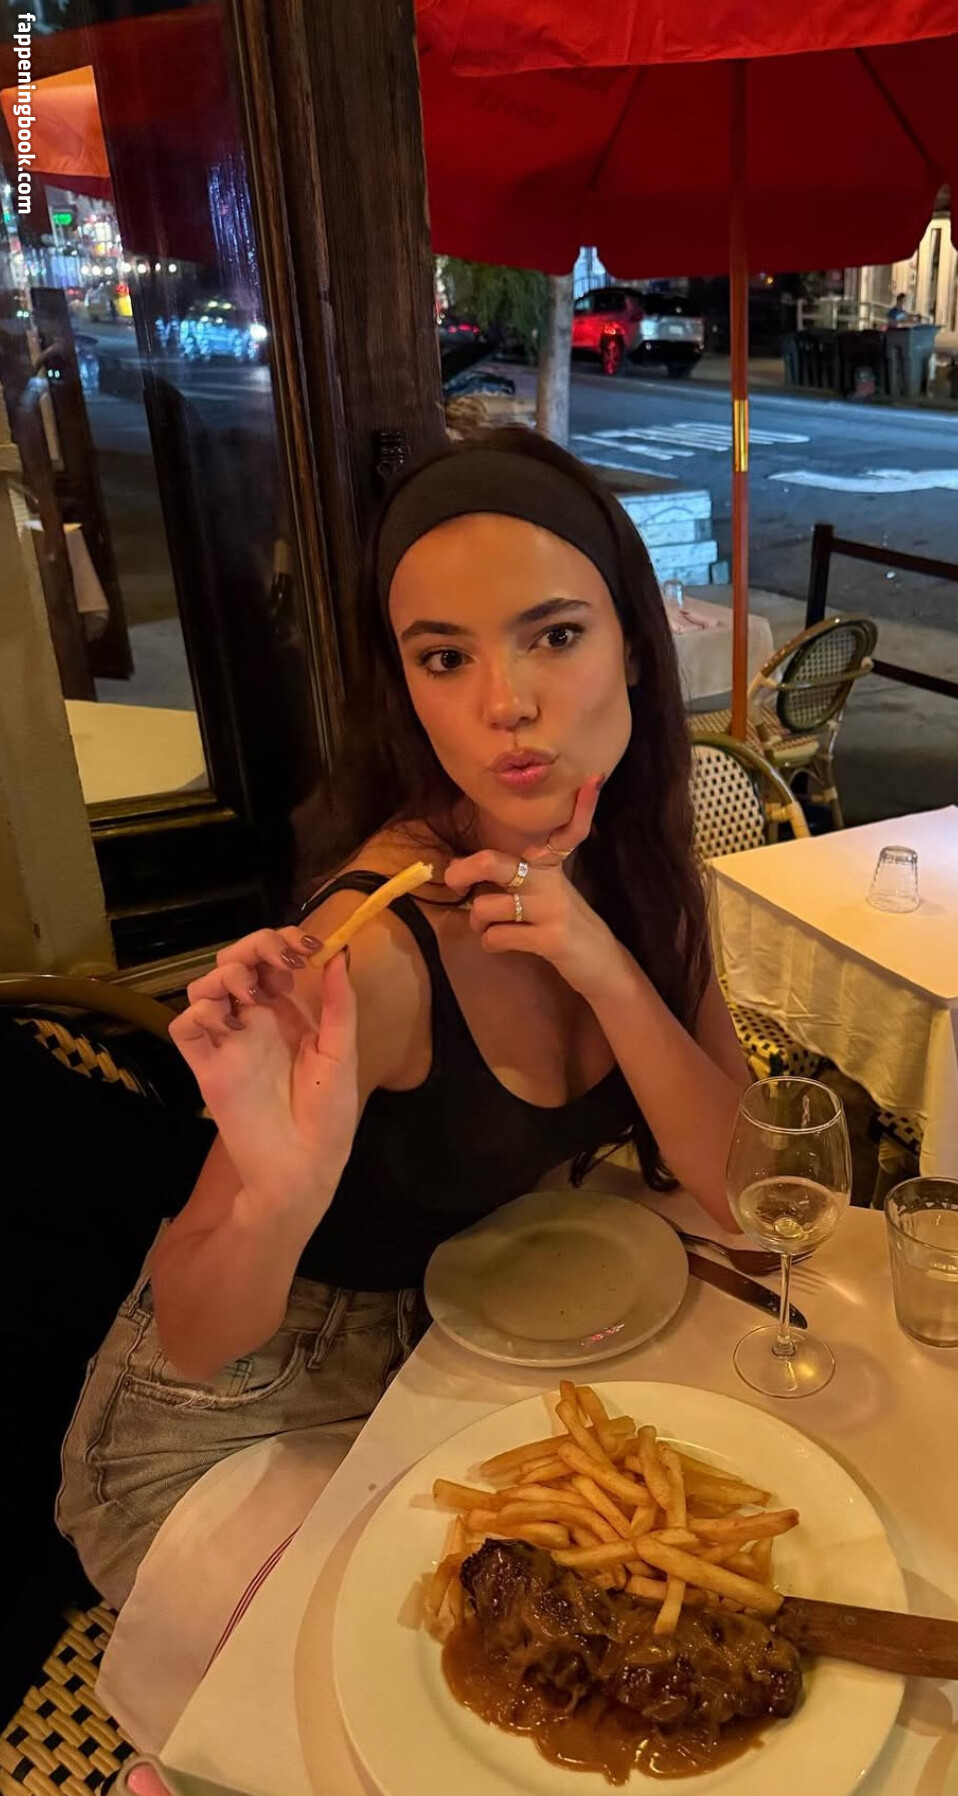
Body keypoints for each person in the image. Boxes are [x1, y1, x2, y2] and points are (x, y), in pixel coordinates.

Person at [56, 429, 750, 1734]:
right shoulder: (368, 951)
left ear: (633, 645)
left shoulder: (639, 852)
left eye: (553, 635)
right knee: (455, 1704)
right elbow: (194, 1335)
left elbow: (747, 1182)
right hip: (238, 1420)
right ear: (408, 690)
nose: (506, 704)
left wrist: (608, 968)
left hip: (460, 1345)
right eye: (445, 657)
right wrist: (280, 1192)